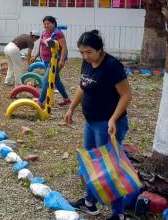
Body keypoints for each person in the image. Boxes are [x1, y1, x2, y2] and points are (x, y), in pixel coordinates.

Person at [63, 30, 132, 220]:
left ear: (100, 50)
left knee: (108, 167)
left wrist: (113, 118)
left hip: (108, 125)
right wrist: (71, 108)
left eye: (89, 52)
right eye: (82, 52)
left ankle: (119, 214)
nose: (85, 56)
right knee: (91, 164)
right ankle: (89, 203)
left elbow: (126, 95)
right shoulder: (87, 63)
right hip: (91, 122)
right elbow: (82, 86)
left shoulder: (111, 66)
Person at [31, 16, 71, 107]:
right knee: (56, 80)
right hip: (46, 61)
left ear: (54, 23)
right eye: (45, 24)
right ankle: (66, 99)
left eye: (48, 23)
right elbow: (42, 46)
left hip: (55, 61)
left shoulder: (58, 33)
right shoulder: (44, 32)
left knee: (46, 80)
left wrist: (61, 60)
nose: (46, 25)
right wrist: (36, 55)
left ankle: (40, 102)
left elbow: (64, 47)